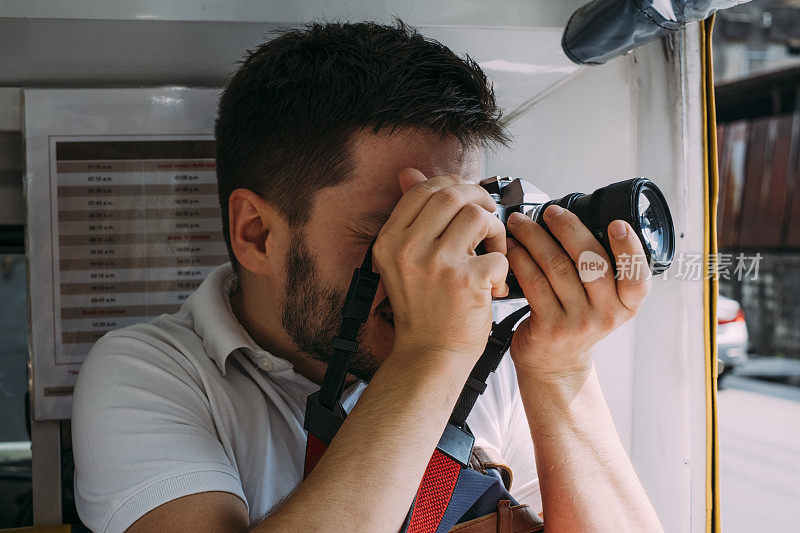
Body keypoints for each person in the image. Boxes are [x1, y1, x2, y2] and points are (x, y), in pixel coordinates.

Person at [72, 20, 663, 533]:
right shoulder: (148, 374)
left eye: (457, 220)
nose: (440, 262)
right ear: (256, 233)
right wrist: (432, 352)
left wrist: (561, 370)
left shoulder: (493, 354)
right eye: (396, 229)